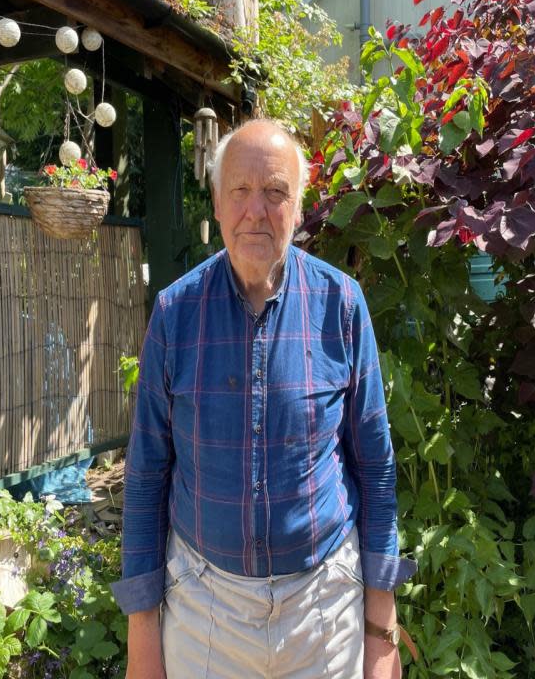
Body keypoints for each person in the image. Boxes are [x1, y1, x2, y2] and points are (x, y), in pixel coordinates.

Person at [112, 119, 417, 679]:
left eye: (276, 191)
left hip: (323, 605)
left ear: (299, 207)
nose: (257, 210)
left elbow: (375, 467)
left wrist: (381, 630)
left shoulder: (342, 305)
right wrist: (143, 636)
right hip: (205, 608)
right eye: (241, 191)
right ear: (218, 204)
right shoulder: (176, 313)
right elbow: (147, 475)